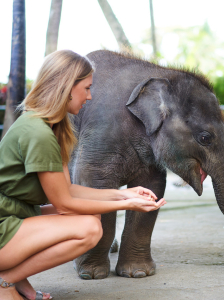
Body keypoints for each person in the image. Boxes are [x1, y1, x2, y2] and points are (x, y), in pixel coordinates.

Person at [0, 50, 167, 300]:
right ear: (67, 86)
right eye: (87, 88)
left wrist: (123, 193)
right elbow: (65, 204)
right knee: (88, 228)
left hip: (15, 216)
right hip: (5, 224)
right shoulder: (38, 133)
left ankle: (14, 279)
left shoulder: (51, 127)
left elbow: (67, 190)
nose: (90, 96)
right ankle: (6, 281)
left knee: (92, 214)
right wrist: (127, 203)